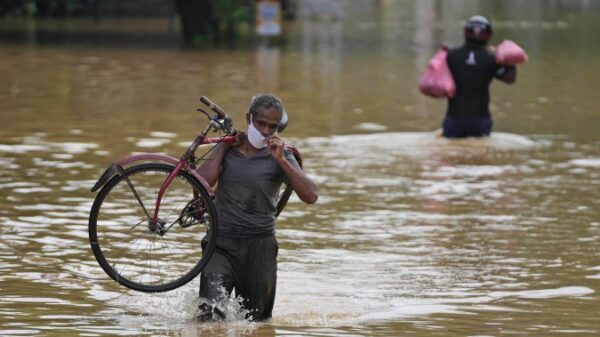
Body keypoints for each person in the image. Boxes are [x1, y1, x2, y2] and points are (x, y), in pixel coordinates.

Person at [196, 93, 318, 322]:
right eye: (260, 123)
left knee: (256, 324)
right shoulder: (229, 148)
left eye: (272, 126)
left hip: (259, 248)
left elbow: (311, 195)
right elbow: (201, 183)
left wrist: (282, 161)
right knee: (209, 318)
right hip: (221, 244)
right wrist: (223, 148)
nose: (265, 130)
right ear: (249, 118)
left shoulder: (282, 154)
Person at [442, 15, 517, 138]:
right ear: (488, 35)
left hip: (455, 118)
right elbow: (510, 78)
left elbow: (434, 81)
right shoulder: (492, 58)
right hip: (480, 120)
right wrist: (510, 61)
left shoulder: (451, 56)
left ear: (466, 32)